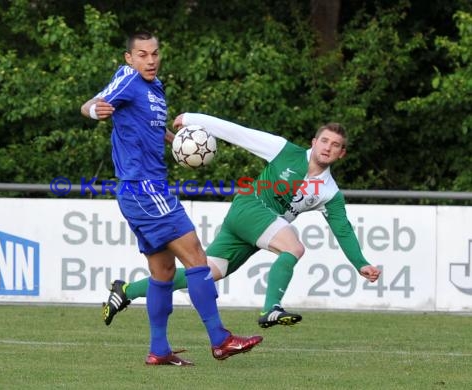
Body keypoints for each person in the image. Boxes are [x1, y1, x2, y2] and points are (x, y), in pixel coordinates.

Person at [80, 32, 262, 366]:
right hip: (145, 188)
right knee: (196, 257)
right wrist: (94, 111)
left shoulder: (156, 88)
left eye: (154, 54)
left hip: (140, 192)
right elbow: (90, 104)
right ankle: (220, 340)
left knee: (163, 273)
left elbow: (148, 126)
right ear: (129, 58)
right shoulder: (128, 79)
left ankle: (159, 349)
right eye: (142, 54)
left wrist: (175, 140)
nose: (150, 60)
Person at [102, 112, 382, 328]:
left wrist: (361, 263)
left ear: (341, 154)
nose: (328, 147)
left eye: (335, 145)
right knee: (294, 248)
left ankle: (126, 290)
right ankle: (271, 308)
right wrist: (193, 120)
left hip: (255, 227)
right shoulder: (285, 151)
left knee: (204, 274)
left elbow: (342, 229)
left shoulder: (330, 193)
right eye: (324, 141)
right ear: (314, 142)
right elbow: (239, 133)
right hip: (250, 207)